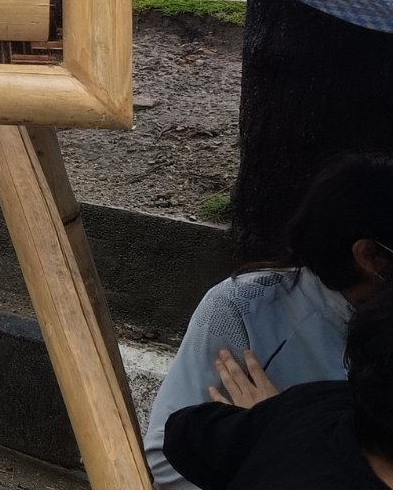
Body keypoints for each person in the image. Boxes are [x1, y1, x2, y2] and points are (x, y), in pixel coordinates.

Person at [144, 156, 393, 487]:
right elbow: (167, 455)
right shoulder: (243, 309)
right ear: (369, 257)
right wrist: (272, 434)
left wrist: (277, 426)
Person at [163, 283, 393, 488]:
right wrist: (270, 423)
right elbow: (176, 439)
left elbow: (183, 432)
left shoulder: (316, 403)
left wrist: (271, 425)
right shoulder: (316, 404)